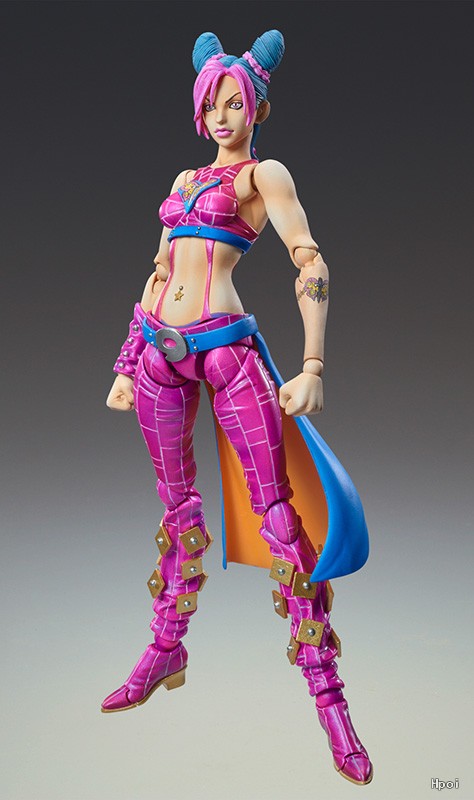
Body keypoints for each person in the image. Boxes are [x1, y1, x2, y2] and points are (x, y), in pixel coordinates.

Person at [101, 30, 373, 786]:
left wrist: (313, 364)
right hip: (159, 352)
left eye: (235, 103)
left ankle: (331, 704)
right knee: (177, 509)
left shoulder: (263, 175)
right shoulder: (185, 179)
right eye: (211, 105)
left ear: (257, 108)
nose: (222, 116)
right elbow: (160, 271)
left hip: (227, 352)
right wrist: (126, 361)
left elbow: (308, 258)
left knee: (279, 518)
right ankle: (167, 648)